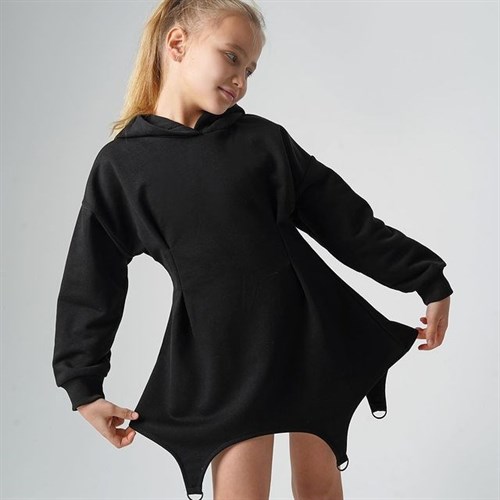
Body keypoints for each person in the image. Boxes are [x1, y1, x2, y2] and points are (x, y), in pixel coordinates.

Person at [52, 0, 453, 499]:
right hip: (226, 359)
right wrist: (83, 385)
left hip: (312, 338)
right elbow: (93, 277)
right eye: (232, 57)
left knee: (320, 490)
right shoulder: (123, 166)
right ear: (177, 44)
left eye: (250, 69)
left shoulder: (262, 141)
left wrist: (427, 278)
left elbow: (347, 223)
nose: (241, 79)